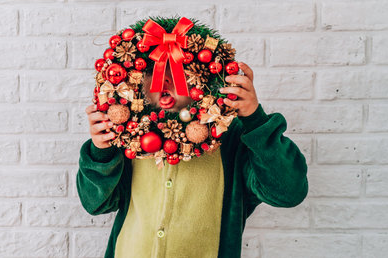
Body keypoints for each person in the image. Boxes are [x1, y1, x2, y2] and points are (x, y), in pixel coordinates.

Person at [77, 61, 308, 258]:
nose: (165, 81)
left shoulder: (232, 136)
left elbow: (288, 192)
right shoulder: (131, 134)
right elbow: (95, 203)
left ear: (200, 78)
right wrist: (101, 150)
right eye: (155, 72)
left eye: (177, 72)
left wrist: (256, 121)